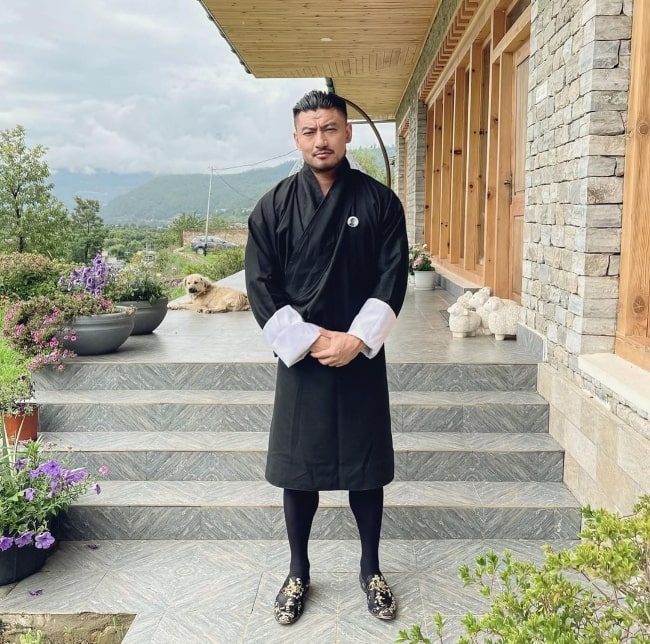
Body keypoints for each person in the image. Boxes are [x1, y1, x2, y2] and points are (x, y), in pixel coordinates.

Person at [245, 89, 408, 626]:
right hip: (302, 357)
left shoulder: (381, 203)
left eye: (330, 128)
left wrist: (356, 340)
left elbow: (392, 277)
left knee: (366, 471)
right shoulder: (272, 207)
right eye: (310, 131)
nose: (321, 139)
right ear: (296, 138)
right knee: (300, 471)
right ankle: (297, 571)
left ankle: (371, 569)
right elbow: (261, 285)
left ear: (347, 133)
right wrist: (311, 340)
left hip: (358, 355)